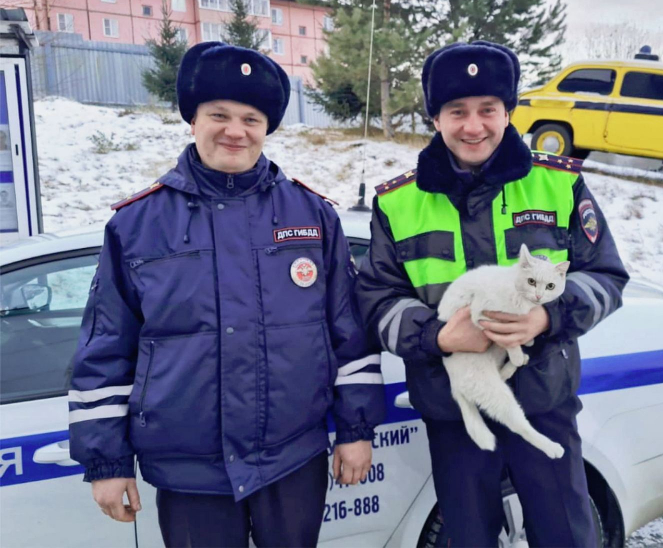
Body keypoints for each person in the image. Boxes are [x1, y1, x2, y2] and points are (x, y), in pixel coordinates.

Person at [69, 42, 385, 548]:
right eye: (219, 114)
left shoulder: (313, 217)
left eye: (251, 118)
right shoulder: (135, 225)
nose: (234, 131)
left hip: (291, 458)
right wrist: (106, 461)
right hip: (189, 471)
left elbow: (348, 334)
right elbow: (106, 348)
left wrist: (356, 429)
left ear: (267, 128)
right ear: (193, 120)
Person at [356, 41, 629, 547]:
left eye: (488, 110)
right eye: (456, 111)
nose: (473, 126)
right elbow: (376, 298)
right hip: (453, 406)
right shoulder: (397, 202)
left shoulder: (558, 184)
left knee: (567, 537)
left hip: (543, 399)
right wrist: (438, 335)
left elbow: (607, 277)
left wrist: (546, 319)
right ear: (435, 117)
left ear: (509, 112)